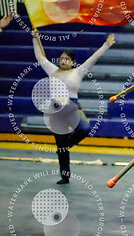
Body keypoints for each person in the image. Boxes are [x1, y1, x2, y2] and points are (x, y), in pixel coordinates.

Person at [32, 31, 115, 183]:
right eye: (61, 58)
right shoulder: (52, 71)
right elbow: (40, 57)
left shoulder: (78, 72)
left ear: (73, 62)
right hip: (56, 109)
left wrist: (106, 45)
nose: (63, 61)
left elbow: (93, 58)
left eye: (67, 59)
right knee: (61, 145)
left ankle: (67, 145)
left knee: (84, 129)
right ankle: (65, 176)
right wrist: (35, 38)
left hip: (72, 106)